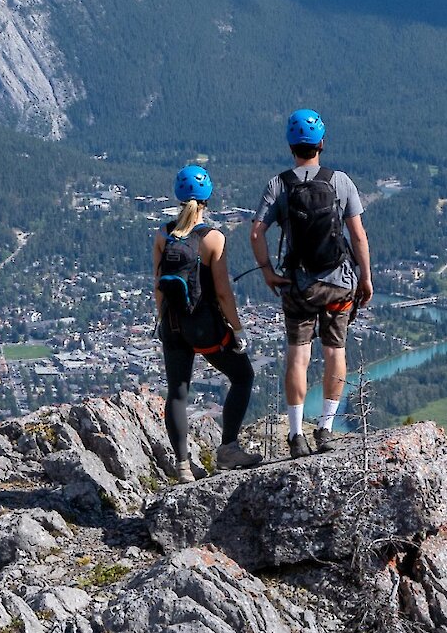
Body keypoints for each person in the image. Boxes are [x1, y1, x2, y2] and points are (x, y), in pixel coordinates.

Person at [249, 109, 374, 459]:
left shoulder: (279, 185)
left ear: (291, 145)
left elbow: (256, 232)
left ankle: (295, 434)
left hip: (298, 285)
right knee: (335, 352)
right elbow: (358, 236)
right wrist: (365, 277)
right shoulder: (340, 182)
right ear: (321, 143)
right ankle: (326, 428)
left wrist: (268, 271)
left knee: (298, 356)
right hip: (339, 284)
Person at [154, 163, 263, 481]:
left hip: (172, 324)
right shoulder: (214, 238)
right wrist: (238, 330)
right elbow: (224, 294)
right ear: (208, 198)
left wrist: (163, 323)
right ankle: (228, 449)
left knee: (177, 391)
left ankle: (183, 466)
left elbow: (157, 284)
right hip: (204, 326)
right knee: (242, 376)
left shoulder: (163, 234)